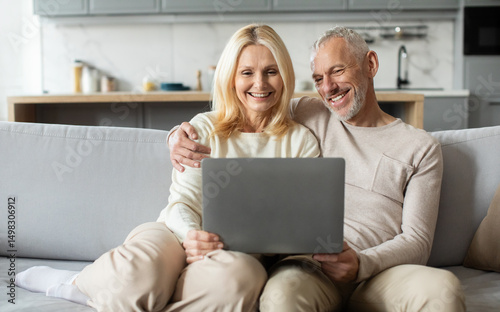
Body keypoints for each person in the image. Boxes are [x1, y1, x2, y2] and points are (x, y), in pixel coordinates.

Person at [15, 24, 320, 311]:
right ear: (231, 78)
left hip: (234, 255)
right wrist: (192, 237)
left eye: (271, 72)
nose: (260, 83)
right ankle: (75, 282)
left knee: (243, 277)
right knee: (140, 274)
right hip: (175, 234)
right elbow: (182, 203)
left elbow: (297, 223)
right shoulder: (203, 130)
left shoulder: (301, 142)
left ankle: (128, 297)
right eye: (247, 72)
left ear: (285, 76)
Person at [168, 26, 466, 311]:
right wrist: (177, 136)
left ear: (371, 64)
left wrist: (362, 264)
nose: (328, 87)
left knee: (443, 289)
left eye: (337, 71)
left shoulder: (420, 147)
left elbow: (417, 240)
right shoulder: (309, 112)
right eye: (318, 77)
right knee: (281, 295)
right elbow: (250, 107)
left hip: (382, 272)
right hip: (311, 268)